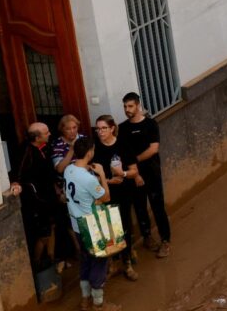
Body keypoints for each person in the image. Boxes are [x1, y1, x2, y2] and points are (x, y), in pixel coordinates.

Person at [63, 136, 119, 311]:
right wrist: (102, 174)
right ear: (89, 153)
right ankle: (98, 304)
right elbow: (106, 197)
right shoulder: (89, 179)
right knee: (99, 262)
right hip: (92, 225)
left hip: (77, 224)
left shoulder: (68, 170)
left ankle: (85, 300)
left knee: (86, 261)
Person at [119, 93, 171, 259]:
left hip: (152, 173)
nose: (127, 110)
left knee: (158, 207)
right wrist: (134, 173)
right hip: (134, 176)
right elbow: (123, 152)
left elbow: (153, 149)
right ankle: (147, 236)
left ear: (138, 106)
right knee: (140, 208)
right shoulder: (124, 128)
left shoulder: (150, 124)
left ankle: (165, 240)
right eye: (125, 107)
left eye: (130, 106)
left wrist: (134, 161)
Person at [92, 115, 139, 281]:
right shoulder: (95, 149)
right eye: (98, 128)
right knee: (110, 230)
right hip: (105, 194)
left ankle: (127, 262)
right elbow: (92, 175)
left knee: (124, 226)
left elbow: (134, 171)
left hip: (124, 192)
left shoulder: (123, 145)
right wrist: (107, 180)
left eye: (104, 128)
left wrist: (123, 174)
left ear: (112, 128)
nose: (100, 132)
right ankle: (113, 261)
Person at [14, 122, 60, 271]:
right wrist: (16, 183)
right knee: (44, 234)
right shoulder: (26, 150)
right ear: (37, 137)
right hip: (38, 200)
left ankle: (51, 257)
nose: (50, 134)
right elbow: (19, 172)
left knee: (52, 226)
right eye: (46, 133)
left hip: (49, 195)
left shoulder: (45, 147)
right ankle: (37, 263)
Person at [51, 114, 85, 269]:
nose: (72, 132)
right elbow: (59, 168)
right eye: (68, 129)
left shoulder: (83, 139)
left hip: (85, 185)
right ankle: (78, 249)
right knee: (72, 221)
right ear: (62, 130)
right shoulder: (57, 145)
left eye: (74, 128)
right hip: (67, 189)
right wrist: (71, 150)